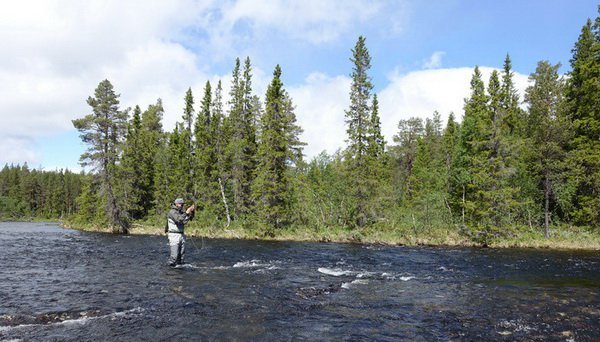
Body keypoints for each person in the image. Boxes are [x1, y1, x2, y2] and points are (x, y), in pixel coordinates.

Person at [166, 198, 195, 267]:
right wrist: (186, 212)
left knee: (181, 255)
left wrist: (191, 212)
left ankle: (180, 269)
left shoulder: (181, 212)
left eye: (182, 204)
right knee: (174, 256)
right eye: (180, 204)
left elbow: (184, 221)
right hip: (173, 235)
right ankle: (170, 270)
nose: (181, 206)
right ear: (176, 204)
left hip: (181, 235)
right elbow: (178, 220)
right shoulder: (172, 212)